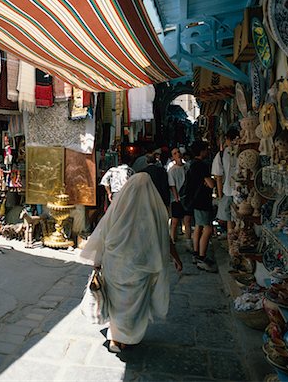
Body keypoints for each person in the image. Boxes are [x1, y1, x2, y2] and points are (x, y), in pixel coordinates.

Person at [80, 173, 182, 352]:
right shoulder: (155, 211)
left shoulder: (118, 208)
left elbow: (103, 232)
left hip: (115, 265)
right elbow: (164, 237)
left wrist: (97, 260)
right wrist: (176, 257)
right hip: (141, 267)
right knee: (134, 304)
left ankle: (116, 338)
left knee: (116, 302)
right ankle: (126, 337)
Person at [184, 141, 216, 272]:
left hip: (195, 201)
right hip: (203, 200)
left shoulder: (192, 165)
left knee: (198, 227)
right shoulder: (202, 165)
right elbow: (211, 184)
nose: (207, 151)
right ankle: (202, 258)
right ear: (201, 151)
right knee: (207, 228)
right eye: (206, 149)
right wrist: (213, 181)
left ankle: (196, 254)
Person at [211, 127, 240, 237]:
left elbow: (218, 177)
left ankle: (232, 245)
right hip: (244, 191)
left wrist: (220, 195)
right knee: (242, 219)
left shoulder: (221, 154)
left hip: (227, 191)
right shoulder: (244, 150)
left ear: (227, 139)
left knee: (229, 221)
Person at [167, 146, 192, 249]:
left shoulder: (187, 167)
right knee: (175, 221)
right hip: (177, 199)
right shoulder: (172, 170)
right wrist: (176, 197)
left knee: (187, 220)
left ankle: (188, 242)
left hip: (187, 197)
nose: (177, 154)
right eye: (175, 153)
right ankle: (173, 241)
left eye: (178, 152)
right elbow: (172, 185)